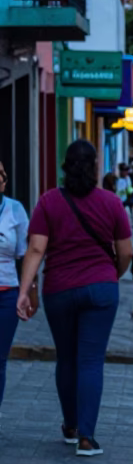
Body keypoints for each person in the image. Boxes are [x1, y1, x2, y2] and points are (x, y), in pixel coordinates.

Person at [17, 140, 133, 456]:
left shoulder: (49, 202)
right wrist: (112, 275)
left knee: (66, 359)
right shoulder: (111, 203)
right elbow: (126, 252)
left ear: (65, 166)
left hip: (59, 290)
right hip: (101, 289)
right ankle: (87, 437)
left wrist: (25, 289)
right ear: (95, 167)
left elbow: (36, 249)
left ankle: (70, 426)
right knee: (91, 361)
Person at [0, 158, 34, 414]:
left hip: (6, 294)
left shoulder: (15, 210)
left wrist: (28, 291)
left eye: (3, 174)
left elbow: (26, 255)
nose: (2, 178)